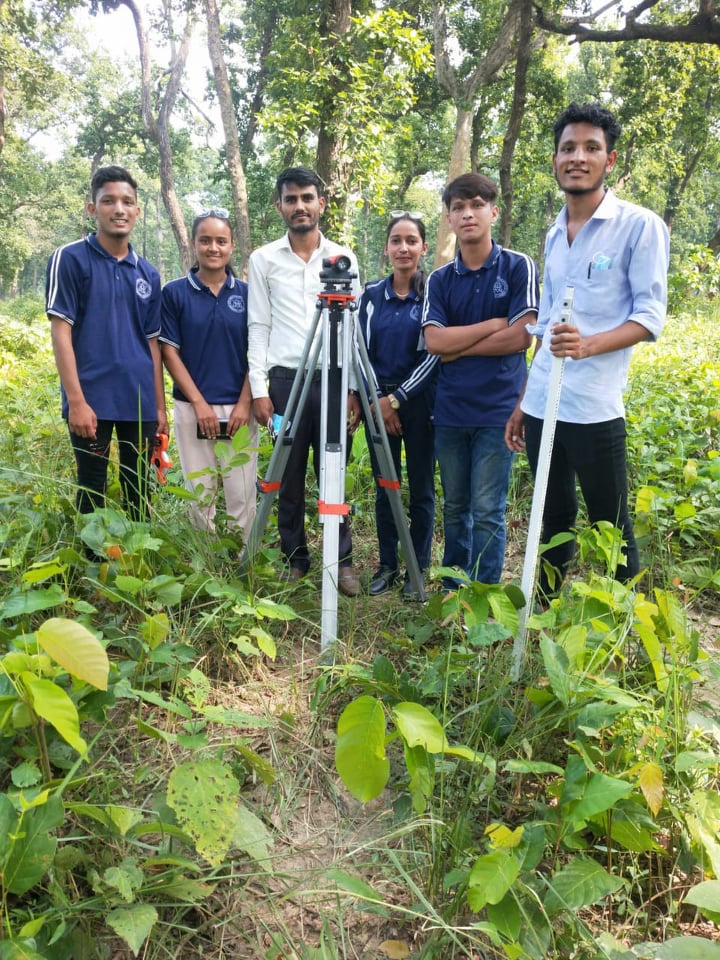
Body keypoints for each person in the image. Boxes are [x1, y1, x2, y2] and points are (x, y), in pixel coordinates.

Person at [505, 102, 670, 595]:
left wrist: (588, 345)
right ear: (556, 159)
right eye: (568, 148)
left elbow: (649, 317)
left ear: (609, 160)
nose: (578, 157)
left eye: (591, 148)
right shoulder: (555, 233)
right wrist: (524, 401)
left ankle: (623, 623)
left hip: (594, 406)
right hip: (543, 403)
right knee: (552, 513)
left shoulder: (639, 225)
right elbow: (547, 325)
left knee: (611, 522)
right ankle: (543, 609)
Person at [247, 166, 362, 595]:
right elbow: (258, 325)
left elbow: (353, 330)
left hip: (333, 380)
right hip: (284, 383)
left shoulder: (343, 258)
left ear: (321, 204)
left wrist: (353, 388)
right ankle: (294, 558)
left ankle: (341, 560)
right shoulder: (263, 259)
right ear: (279, 206)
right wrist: (259, 389)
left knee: (333, 473)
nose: (300, 206)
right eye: (291, 199)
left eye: (307, 198)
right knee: (289, 477)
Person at [422, 173, 539, 589]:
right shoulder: (439, 279)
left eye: (476, 205)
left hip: (499, 411)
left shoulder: (518, 266)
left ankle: (485, 595)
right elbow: (434, 341)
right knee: (456, 508)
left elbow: (522, 337)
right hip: (451, 410)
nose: (467, 214)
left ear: (493, 211)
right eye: (458, 207)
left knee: (488, 509)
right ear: (449, 218)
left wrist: (458, 347)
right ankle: (453, 588)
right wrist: (492, 325)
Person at [46, 165, 167, 524]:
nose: (119, 209)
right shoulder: (69, 259)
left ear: (137, 211)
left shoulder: (148, 273)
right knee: (91, 486)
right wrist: (76, 402)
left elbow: (153, 344)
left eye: (127, 202)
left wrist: (159, 408)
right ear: (92, 208)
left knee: (138, 487)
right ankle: (91, 556)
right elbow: (61, 332)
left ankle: (137, 554)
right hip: (91, 400)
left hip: (139, 403)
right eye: (108, 201)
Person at [160, 210, 258, 541]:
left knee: (241, 489)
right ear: (193, 243)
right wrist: (199, 404)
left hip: (239, 408)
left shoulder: (248, 294)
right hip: (192, 407)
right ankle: (207, 557)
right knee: (200, 489)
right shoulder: (174, 293)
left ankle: (244, 556)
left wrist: (245, 403)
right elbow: (169, 352)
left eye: (221, 241)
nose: (213, 248)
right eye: (205, 240)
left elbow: (258, 351)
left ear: (232, 246)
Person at [358, 212, 438, 598]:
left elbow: (434, 353)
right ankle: (387, 564)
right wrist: (380, 401)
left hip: (421, 404)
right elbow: (360, 350)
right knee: (385, 486)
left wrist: (398, 399)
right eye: (396, 241)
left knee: (422, 488)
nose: (403, 248)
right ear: (387, 248)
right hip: (377, 403)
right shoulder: (372, 295)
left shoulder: (433, 294)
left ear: (423, 247)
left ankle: (417, 568)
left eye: (411, 241)